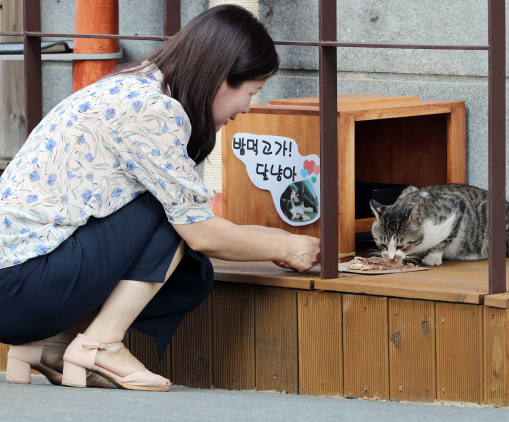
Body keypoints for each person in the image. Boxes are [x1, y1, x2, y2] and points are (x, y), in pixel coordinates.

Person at [0, 5, 320, 392]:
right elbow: (200, 230)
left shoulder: (130, 84)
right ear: (221, 81)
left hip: (19, 281)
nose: (248, 108)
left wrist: (274, 244)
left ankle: (53, 344)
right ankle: (100, 344)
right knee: (174, 217)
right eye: (251, 92)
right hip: (21, 287)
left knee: (191, 265)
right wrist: (285, 244)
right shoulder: (155, 111)